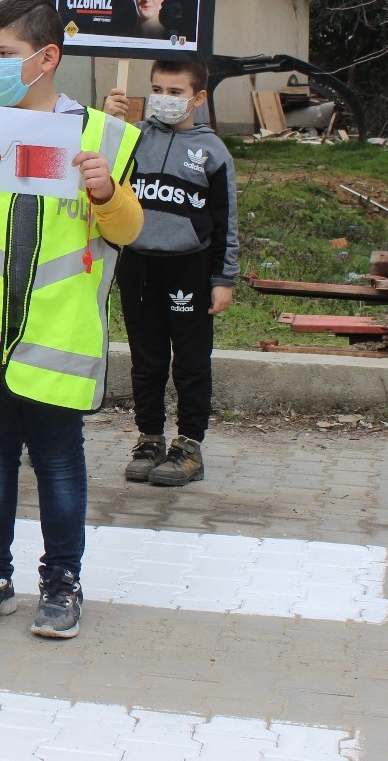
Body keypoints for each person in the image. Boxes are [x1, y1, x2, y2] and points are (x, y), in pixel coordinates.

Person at [0, 0, 141, 639]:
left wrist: (105, 191)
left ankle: (62, 581)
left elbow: (126, 230)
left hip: (55, 336)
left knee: (59, 463)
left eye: (6, 55)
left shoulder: (99, 135)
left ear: (48, 58)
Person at [104, 59, 238, 487]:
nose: (165, 98)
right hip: (138, 265)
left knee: (191, 362)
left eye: (176, 92)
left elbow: (225, 221)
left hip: (190, 268)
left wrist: (223, 279)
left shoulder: (213, 152)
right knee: (147, 360)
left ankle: (189, 446)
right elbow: (97, 168)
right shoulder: (134, 137)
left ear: (198, 98)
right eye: (158, 88)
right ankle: (150, 439)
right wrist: (109, 123)